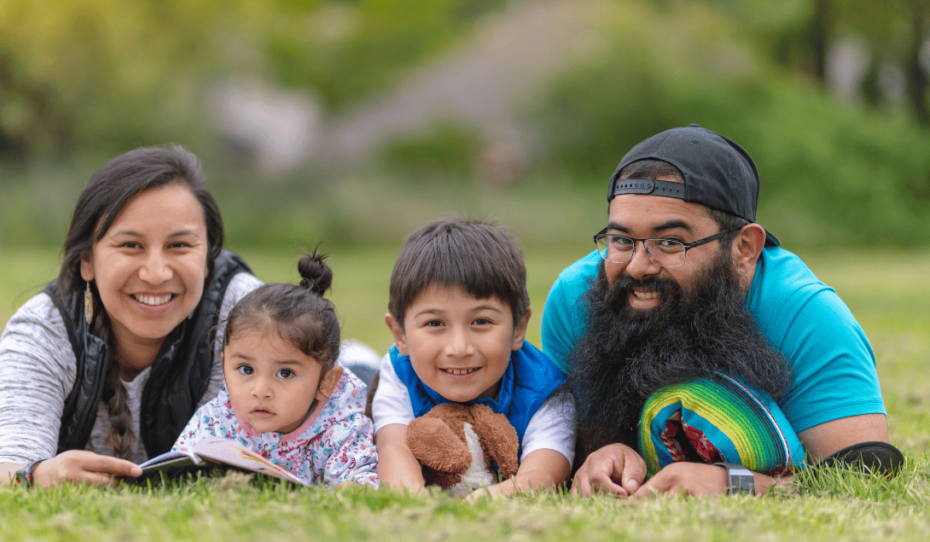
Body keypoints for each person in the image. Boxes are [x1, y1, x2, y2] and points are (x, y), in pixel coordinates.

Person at [540, 125, 891, 498]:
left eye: (670, 242)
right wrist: (597, 456)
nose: (637, 267)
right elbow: (559, 445)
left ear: (744, 248)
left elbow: (863, 477)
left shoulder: (807, 315)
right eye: (622, 240)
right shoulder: (575, 298)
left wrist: (734, 484)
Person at [0, 146, 265, 487]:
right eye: (131, 245)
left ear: (207, 260)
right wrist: (39, 475)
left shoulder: (250, 316)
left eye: (179, 246)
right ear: (87, 260)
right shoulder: (44, 328)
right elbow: (6, 463)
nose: (156, 273)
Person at [372, 218, 574, 497]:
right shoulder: (399, 372)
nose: (459, 348)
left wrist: (488, 500)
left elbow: (546, 471)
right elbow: (394, 448)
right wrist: (415, 503)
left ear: (518, 329)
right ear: (400, 334)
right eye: (434, 323)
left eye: (480, 321)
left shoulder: (544, 387)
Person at [173, 252, 379, 488]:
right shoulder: (216, 420)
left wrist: (348, 487)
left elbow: (361, 482)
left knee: (367, 371)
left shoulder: (343, 427)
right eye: (245, 369)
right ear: (224, 364)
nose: (261, 391)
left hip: (363, 372)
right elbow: (176, 472)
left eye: (285, 373)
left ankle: (363, 356)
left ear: (326, 382)